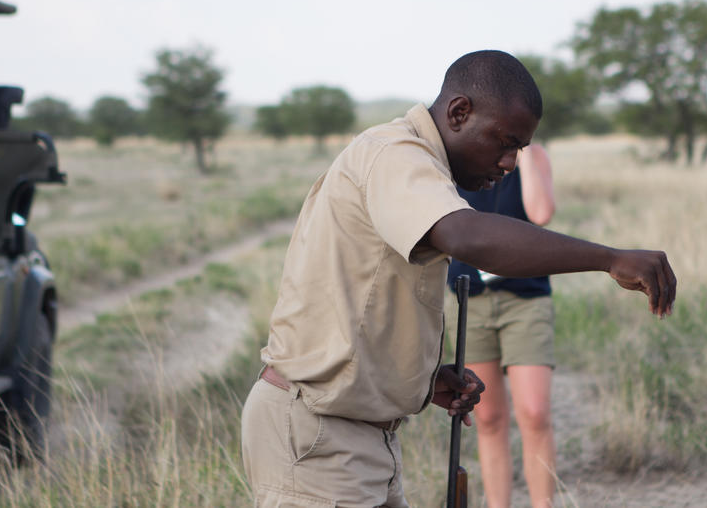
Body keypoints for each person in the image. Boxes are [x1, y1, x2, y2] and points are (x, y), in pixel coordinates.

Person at [241, 50, 676, 507]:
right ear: (459, 112)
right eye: (505, 142)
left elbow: (366, 295)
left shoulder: (419, 165)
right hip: (318, 438)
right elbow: (466, 234)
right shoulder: (394, 154)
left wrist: (422, 379)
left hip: (363, 439)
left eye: (520, 150)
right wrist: (609, 258)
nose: (509, 162)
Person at [446, 142, 558, 508]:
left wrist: (524, 154)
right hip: (469, 298)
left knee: (535, 412)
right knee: (489, 417)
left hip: (524, 297)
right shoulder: (459, 156)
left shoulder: (532, 156)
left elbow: (541, 213)